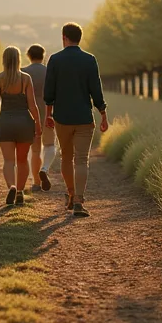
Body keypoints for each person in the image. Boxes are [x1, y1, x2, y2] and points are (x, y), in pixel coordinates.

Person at [44, 22, 108, 218]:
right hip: (83, 117)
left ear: (64, 37)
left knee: (66, 157)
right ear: (79, 38)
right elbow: (96, 89)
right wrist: (103, 113)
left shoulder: (55, 60)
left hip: (62, 117)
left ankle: (71, 194)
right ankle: (79, 200)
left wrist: (48, 113)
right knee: (82, 159)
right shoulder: (89, 60)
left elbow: (49, 90)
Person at [0, 46, 43, 206]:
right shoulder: (25, 78)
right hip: (24, 122)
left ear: (4, 60)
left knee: (8, 161)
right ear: (19, 59)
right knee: (22, 160)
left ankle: (11, 186)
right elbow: (33, 106)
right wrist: (38, 124)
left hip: (5, 121)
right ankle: (19, 192)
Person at [20, 44, 55, 191]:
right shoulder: (50, 72)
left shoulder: (22, 72)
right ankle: (45, 169)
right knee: (49, 145)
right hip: (48, 111)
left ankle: (36, 182)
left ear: (28, 55)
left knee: (34, 149)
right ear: (43, 55)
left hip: (30, 113)